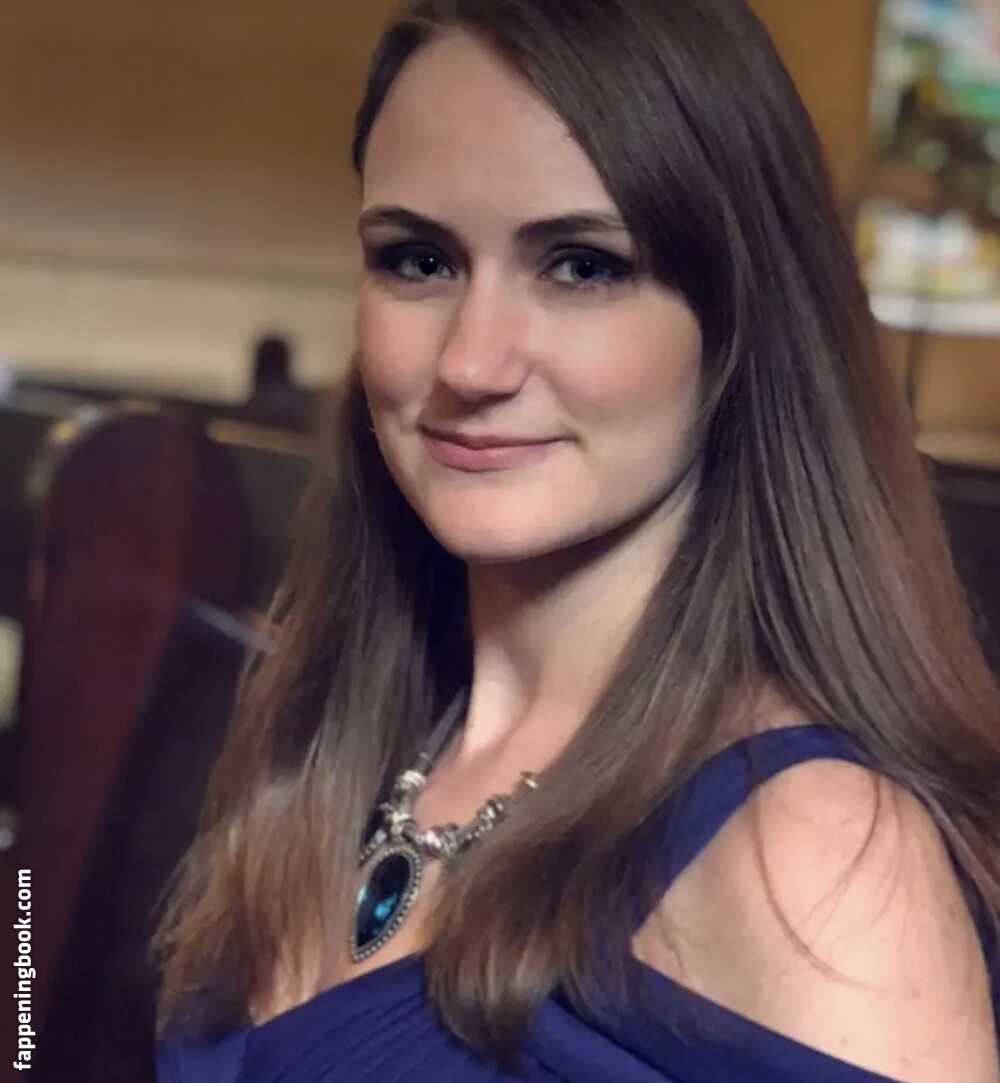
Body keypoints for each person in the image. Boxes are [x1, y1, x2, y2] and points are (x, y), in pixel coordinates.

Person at [153, 1, 1000, 1080]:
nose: (471, 363)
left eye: (581, 267)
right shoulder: (333, 739)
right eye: (418, 259)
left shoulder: (814, 852)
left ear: (739, 321)